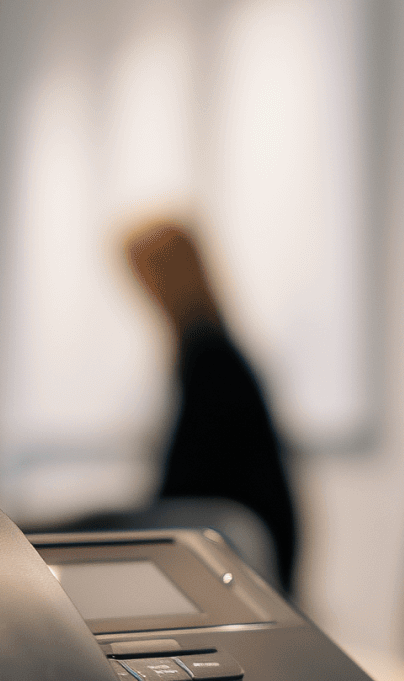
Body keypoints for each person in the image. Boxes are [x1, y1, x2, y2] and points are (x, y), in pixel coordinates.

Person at [56, 222, 301, 593]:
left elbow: (191, 482)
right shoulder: (209, 352)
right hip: (238, 548)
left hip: (233, 556)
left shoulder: (209, 359)